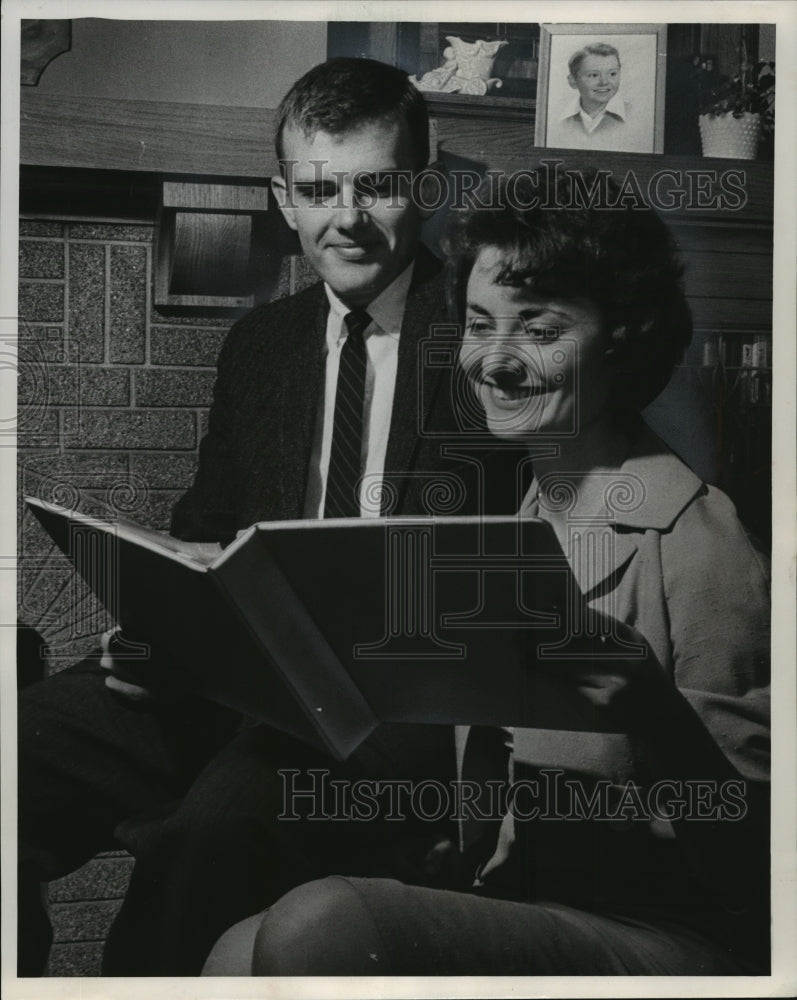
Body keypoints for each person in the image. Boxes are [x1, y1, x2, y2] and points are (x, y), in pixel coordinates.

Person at [18, 58, 520, 977]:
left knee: (213, 832)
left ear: (427, 188)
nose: (347, 218)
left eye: (377, 186)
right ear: (282, 199)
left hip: (387, 710)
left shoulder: (491, 340)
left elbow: (524, 567)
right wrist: (157, 625)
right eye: (319, 190)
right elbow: (202, 524)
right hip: (235, 682)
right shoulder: (260, 346)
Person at [204, 171, 770, 976]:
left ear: (624, 333)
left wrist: (658, 717)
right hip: (535, 905)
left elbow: (760, 865)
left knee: (317, 920)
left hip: (672, 938)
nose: (493, 361)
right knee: (235, 946)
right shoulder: (529, 518)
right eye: (477, 324)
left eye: (536, 328)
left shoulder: (701, 541)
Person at [550, 43, 632, 151]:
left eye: (612, 74)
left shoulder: (633, 115)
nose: (604, 82)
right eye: (593, 75)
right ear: (573, 81)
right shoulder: (557, 118)